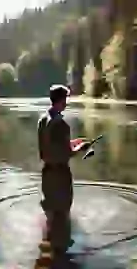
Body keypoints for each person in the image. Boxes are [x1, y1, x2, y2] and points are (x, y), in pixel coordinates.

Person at [37, 84, 90, 252]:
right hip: (60, 175)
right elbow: (66, 153)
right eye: (66, 99)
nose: (66, 103)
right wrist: (80, 148)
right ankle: (61, 254)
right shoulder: (62, 124)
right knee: (62, 213)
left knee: (50, 212)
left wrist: (75, 142)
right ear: (61, 100)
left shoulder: (43, 120)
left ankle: (48, 247)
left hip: (46, 173)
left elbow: (53, 145)